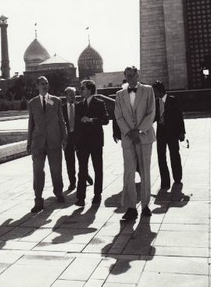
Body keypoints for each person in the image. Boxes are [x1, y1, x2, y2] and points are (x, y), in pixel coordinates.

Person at [114, 66, 156, 220]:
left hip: (144, 137)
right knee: (129, 173)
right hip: (128, 138)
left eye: (132, 75)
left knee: (145, 171)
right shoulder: (120, 95)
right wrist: (129, 132)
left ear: (138, 75)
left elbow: (151, 112)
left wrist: (139, 130)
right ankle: (131, 207)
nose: (130, 78)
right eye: (127, 76)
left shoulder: (148, 90)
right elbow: (118, 116)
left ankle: (145, 205)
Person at [26, 75, 67, 213]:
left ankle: (58, 192)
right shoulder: (32, 103)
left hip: (54, 141)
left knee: (56, 169)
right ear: (37, 86)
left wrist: (65, 137)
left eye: (47, 83)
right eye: (42, 84)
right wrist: (28, 143)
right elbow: (31, 124)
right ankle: (38, 199)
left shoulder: (55, 101)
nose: (45, 86)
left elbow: (61, 121)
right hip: (38, 143)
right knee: (37, 172)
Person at [75, 79, 109, 207]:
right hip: (82, 143)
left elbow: (105, 120)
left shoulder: (99, 103)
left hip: (95, 141)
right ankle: (80, 197)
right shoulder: (79, 105)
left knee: (97, 168)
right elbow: (77, 125)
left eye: (82, 88)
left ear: (89, 89)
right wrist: (76, 143)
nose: (80, 90)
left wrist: (91, 120)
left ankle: (97, 194)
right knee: (82, 170)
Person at [152, 81, 186, 190]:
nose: (154, 93)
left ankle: (177, 178)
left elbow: (179, 116)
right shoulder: (155, 103)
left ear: (160, 90)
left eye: (155, 91)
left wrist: (182, 132)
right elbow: (152, 118)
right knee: (161, 157)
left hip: (173, 133)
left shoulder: (173, 100)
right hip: (161, 133)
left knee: (174, 155)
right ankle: (165, 181)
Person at [62, 86, 93, 191]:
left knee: (83, 160)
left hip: (79, 137)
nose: (73, 96)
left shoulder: (80, 106)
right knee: (69, 161)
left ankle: (85, 175)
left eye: (74, 94)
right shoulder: (61, 109)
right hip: (68, 138)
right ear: (66, 96)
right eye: (70, 94)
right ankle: (72, 182)